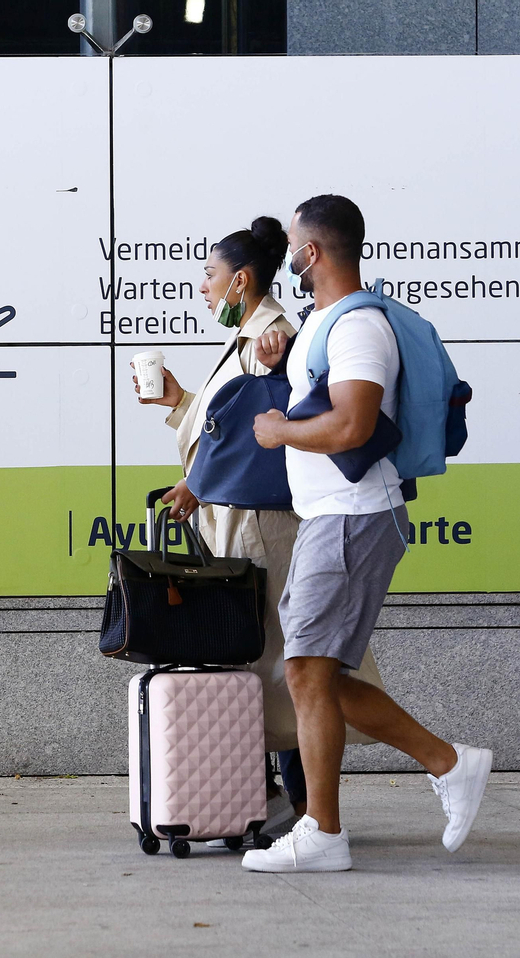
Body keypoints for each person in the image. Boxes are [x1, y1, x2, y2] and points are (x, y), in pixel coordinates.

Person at [241, 195, 491, 872]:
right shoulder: (323, 324)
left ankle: (323, 833)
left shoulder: (358, 329)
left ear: (312, 253)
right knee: (315, 676)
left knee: (306, 670)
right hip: (332, 515)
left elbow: (352, 425)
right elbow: (319, 397)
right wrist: (278, 359)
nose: (288, 254)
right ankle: (448, 764)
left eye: (294, 244)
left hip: (353, 515)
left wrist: (279, 431)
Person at [134, 215, 387, 838]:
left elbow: (263, 433)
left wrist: (201, 478)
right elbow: (230, 425)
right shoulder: (253, 331)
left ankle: (306, 811)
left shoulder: (271, 333)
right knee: (273, 658)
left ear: (240, 279)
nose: (202, 288)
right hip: (241, 517)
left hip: (263, 522)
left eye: (210, 276)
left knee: (285, 662)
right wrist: (180, 406)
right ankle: (280, 802)